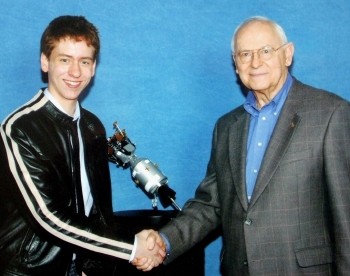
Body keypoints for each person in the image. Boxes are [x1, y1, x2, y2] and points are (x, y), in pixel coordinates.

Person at [145, 16, 350, 275]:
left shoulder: (331, 114)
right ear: (235, 63)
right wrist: (164, 242)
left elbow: (346, 217)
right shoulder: (227, 127)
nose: (255, 62)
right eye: (245, 54)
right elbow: (211, 205)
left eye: (266, 51)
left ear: (287, 54)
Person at [0, 15, 165, 276]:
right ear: (45, 62)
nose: (75, 72)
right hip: (30, 270)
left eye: (84, 61)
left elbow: (99, 210)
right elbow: (48, 218)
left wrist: (97, 264)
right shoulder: (19, 128)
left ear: (94, 66)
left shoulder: (92, 126)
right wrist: (131, 248)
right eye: (64, 60)